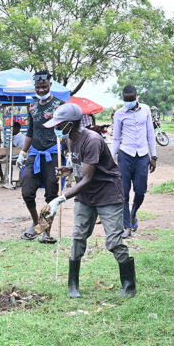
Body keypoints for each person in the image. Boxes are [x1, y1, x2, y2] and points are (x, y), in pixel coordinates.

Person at [45, 103, 135, 299]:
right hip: (86, 196)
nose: (56, 129)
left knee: (113, 241)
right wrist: (69, 169)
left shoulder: (92, 140)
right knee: (78, 237)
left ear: (71, 124)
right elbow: (81, 166)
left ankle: (129, 284)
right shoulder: (70, 139)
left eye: (59, 125)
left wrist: (60, 199)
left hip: (107, 193)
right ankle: (73, 284)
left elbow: (87, 178)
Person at [15, 70, 65, 243]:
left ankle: (46, 231)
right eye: (38, 87)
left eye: (44, 86)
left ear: (50, 85)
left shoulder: (60, 105)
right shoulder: (32, 106)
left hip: (52, 153)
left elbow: (66, 131)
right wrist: (23, 152)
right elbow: (30, 130)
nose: (41, 90)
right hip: (35, 154)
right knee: (27, 191)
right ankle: (37, 223)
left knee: (51, 194)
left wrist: (71, 155)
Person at [110, 85, 157, 238]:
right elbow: (116, 138)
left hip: (142, 156)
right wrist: (111, 159)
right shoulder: (119, 114)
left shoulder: (146, 110)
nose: (128, 102)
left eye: (131, 99)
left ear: (137, 97)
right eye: (126, 100)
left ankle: (133, 213)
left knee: (141, 190)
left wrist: (153, 156)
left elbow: (150, 134)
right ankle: (126, 227)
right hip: (125, 155)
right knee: (123, 193)